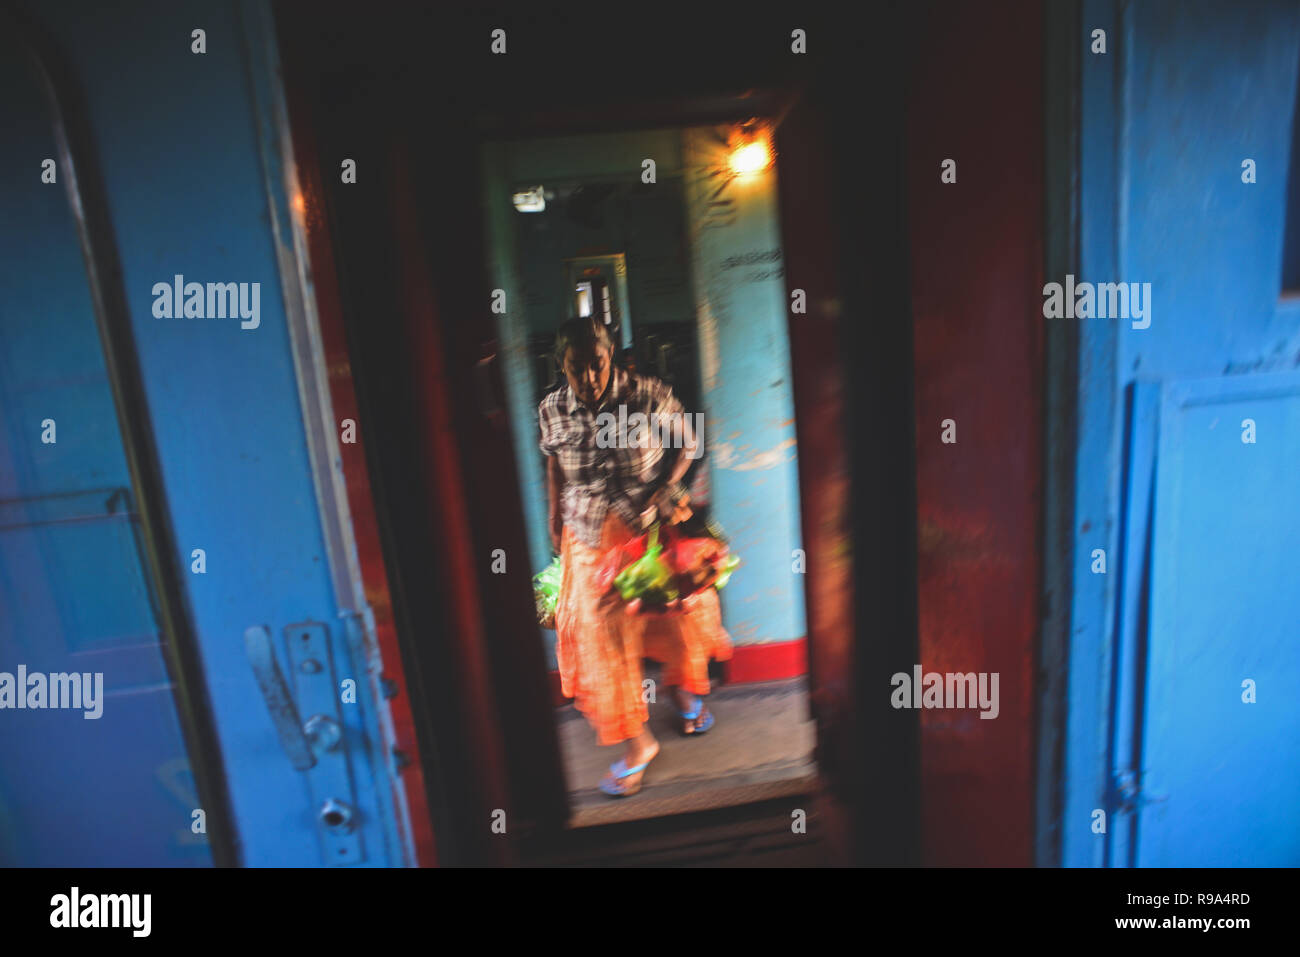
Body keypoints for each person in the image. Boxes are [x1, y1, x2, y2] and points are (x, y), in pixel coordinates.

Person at [539, 317, 732, 797]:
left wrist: (669, 485)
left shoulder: (645, 394)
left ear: (612, 357)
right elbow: (552, 464)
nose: (588, 378)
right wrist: (551, 518)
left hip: (646, 530)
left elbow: (690, 441)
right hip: (585, 535)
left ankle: (683, 690)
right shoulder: (552, 409)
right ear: (560, 365)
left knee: (674, 618)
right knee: (601, 639)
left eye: (597, 364)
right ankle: (638, 745)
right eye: (576, 367)